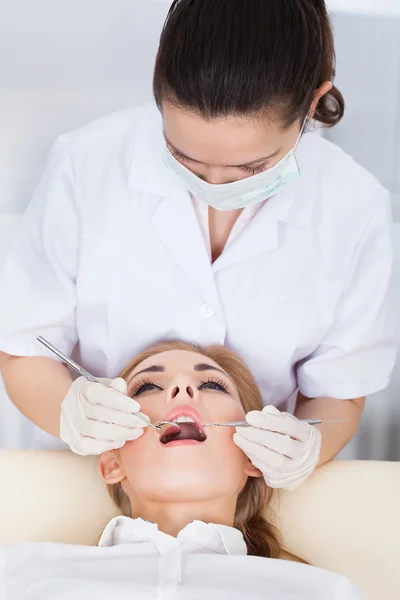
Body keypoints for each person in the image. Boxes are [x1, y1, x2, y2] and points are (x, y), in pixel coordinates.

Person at [0, 1, 396, 489]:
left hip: (249, 503)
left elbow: (340, 392)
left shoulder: (354, 208)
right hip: (76, 485)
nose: (215, 185)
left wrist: (307, 446)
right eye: (182, 158)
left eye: (252, 169)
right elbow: (24, 347)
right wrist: (65, 409)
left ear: (314, 102)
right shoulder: (88, 165)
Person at [0, 342, 366, 599]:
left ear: (256, 457)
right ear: (113, 462)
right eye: (147, 386)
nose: (182, 387)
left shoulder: (322, 592)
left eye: (210, 384)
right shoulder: (17, 575)